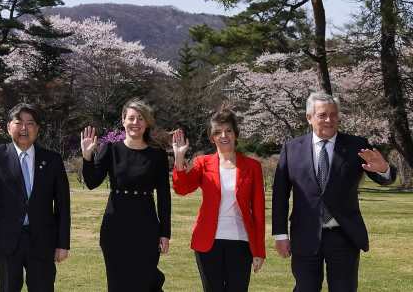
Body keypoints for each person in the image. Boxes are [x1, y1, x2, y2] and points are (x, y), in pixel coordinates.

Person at [272, 92, 396, 292]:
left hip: (344, 236)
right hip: (305, 235)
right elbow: (280, 195)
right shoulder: (291, 148)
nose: (329, 120)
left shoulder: (357, 146)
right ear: (309, 118)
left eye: (333, 114)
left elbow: (385, 179)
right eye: (322, 115)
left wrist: (383, 169)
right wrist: (280, 235)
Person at [0, 104, 70, 292]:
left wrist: (62, 244)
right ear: (8, 127)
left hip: (42, 239)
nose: (24, 128)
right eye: (19, 122)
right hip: (6, 238)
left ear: (37, 128)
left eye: (30, 123)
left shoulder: (52, 159)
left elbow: (63, 204)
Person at [80, 98, 171, 292]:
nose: (135, 123)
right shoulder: (111, 149)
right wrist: (87, 157)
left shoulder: (157, 154)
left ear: (146, 123)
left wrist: (165, 233)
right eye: (131, 118)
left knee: (147, 281)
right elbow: (92, 182)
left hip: (146, 227)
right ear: (123, 121)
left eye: (140, 118)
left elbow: (164, 196)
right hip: (115, 228)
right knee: (118, 282)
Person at [171, 106, 266, 292]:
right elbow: (182, 188)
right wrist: (179, 157)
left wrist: (259, 251)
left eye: (228, 131)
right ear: (212, 137)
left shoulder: (253, 166)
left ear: (235, 134)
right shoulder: (202, 163)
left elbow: (259, 211)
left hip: (241, 242)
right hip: (208, 242)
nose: (224, 136)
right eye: (218, 132)